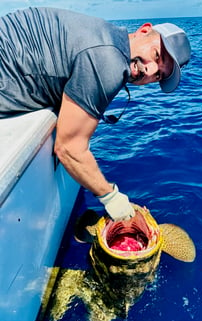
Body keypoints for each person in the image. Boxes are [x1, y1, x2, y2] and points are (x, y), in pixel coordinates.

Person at [0, 7, 191, 221]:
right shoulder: (109, 61)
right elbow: (68, 149)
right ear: (144, 30)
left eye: (158, 75)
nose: (150, 70)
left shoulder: (108, 35)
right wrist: (111, 197)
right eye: (156, 55)